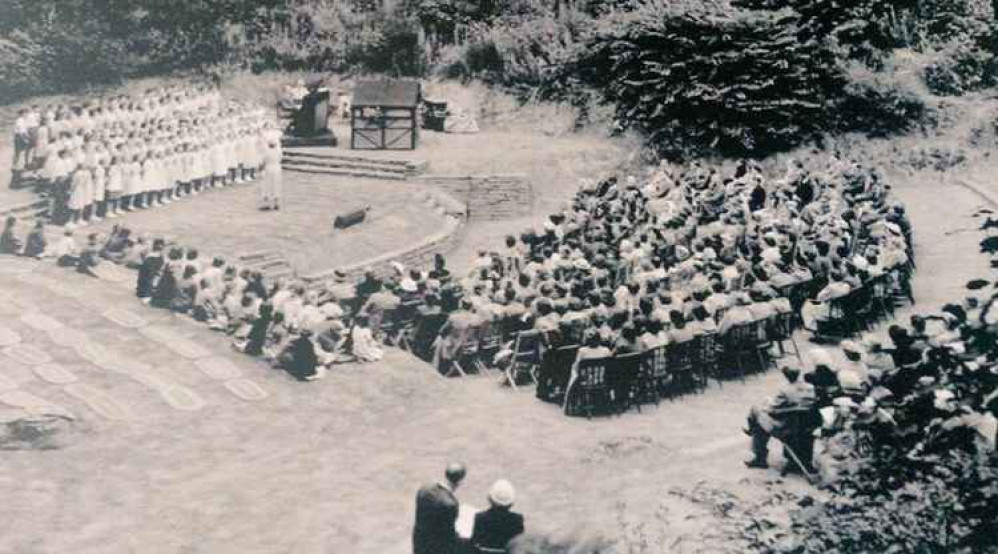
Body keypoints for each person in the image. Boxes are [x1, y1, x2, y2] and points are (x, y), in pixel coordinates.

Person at [744, 365, 817, 469]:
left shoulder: (785, 390)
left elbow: (773, 411)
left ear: (786, 376)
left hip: (785, 427)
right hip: (803, 425)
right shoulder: (810, 387)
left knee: (756, 413)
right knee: (760, 422)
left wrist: (768, 406)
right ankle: (753, 433)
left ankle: (759, 455)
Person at [413, 463, 466, 554]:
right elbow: (448, 532)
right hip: (437, 547)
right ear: (460, 482)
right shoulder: (450, 504)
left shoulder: (424, 489)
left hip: (420, 540)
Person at [471, 480, 525, 554]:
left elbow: (474, 543)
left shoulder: (480, 518)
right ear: (511, 503)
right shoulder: (517, 520)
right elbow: (519, 546)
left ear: (490, 499)